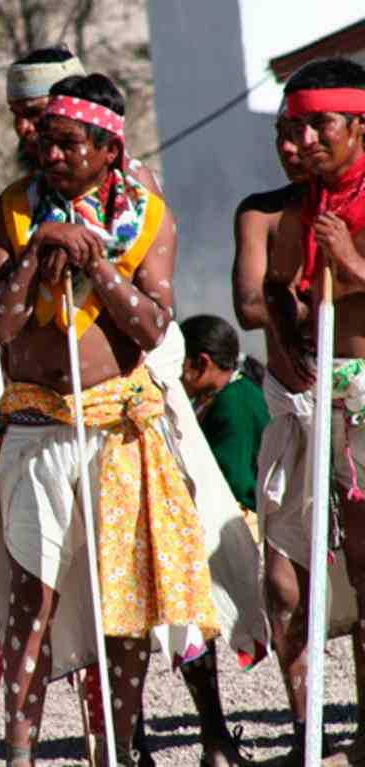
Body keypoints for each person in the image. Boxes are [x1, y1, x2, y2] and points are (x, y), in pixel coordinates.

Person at [0, 71, 222, 766]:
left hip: (115, 434)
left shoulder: (150, 218)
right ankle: (21, 750)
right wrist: (34, 252)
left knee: (124, 599)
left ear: (109, 148)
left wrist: (97, 263)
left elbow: (150, 326)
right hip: (37, 433)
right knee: (32, 597)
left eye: (68, 144)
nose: (50, 156)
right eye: (45, 143)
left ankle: (113, 745)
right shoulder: (10, 212)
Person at [263, 56, 365, 764]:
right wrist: (288, 321)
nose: (303, 140)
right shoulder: (302, 208)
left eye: (318, 124)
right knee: (359, 568)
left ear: (359, 124)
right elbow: (279, 291)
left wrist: (353, 264)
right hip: (330, 394)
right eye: (294, 126)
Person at [6, 47, 162, 196]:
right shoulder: (14, 201)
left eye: (34, 113)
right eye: (16, 115)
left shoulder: (136, 191)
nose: (22, 127)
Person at [179, 314, 269, 512]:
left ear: (202, 363)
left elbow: (233, 481)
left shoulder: (234, 403)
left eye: (178, 364)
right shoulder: (227, 394)